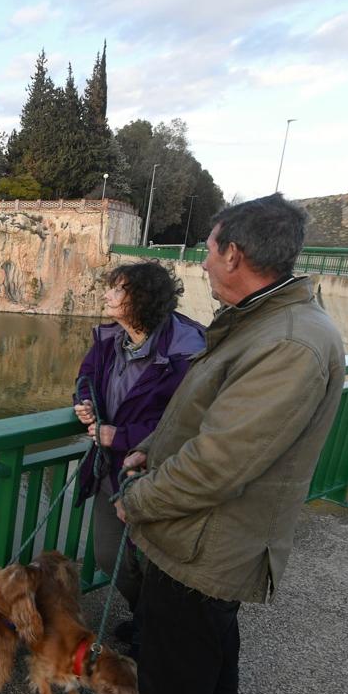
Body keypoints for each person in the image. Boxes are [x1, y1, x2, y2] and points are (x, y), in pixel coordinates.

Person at [73, 194, 345, 694]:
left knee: (175, 685)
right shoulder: (267, 324)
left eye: (208, 251)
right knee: (213, 659)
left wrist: (138, 499)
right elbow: (209, 423)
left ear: (235, 254)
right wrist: (151, 450)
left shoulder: (289, 344)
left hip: (206, 543)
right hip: (211, 540)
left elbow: (222, 462)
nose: (200, 265)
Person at [72, 261, 205, 655]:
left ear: (141, 299)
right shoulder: (110, 337)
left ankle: (157, 631)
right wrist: (84, 404)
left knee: (153, 558)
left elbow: (186, 422)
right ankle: (148, 618)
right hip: (110, 470)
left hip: (155, 472)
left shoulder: (185, 350)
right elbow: (85, 378)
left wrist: (123, 435)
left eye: (118, 289)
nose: (108, 295)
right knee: (109, 552)